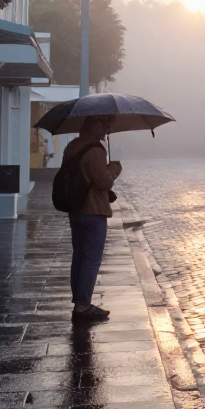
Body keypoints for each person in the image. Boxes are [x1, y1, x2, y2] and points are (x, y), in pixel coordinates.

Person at [62, 115, 121, 322]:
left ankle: (79, 300)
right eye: (102, 124)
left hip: (75, 207)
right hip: (93, 209)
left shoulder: (72, 146)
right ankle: (83, 305)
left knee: (78, 255)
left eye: (106, 124)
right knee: (91, 258)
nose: (106, 128)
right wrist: (114, 169)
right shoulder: (95, 150)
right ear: (91, 125)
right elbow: (103, 182)